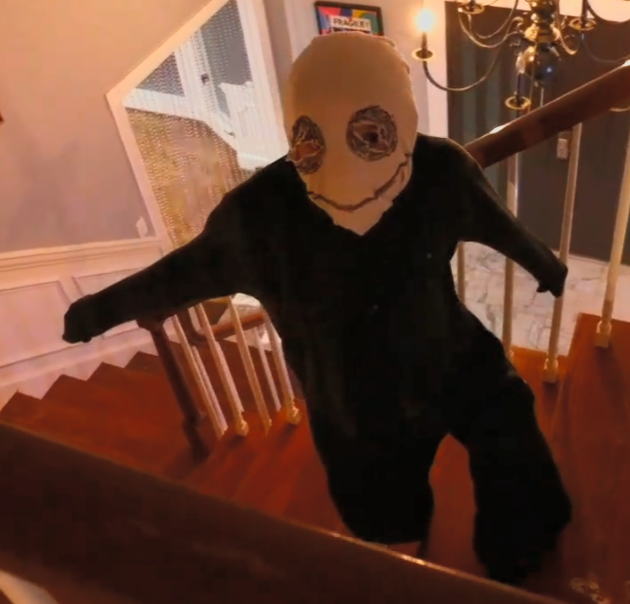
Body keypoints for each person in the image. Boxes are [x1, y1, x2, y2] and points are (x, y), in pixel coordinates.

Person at [63, 32, 571, 584]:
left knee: (511, 441)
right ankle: (404, 561)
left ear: (400, 119)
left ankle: (518, 548)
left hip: (452, 356)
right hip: (352, 401)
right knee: (384, 511)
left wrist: (543, 262)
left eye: (369, 134)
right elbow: (178, 275)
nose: (342, 163)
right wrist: (100, 311)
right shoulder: (259, 215)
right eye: (312, 141)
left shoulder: (440, 171)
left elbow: (497, 223)